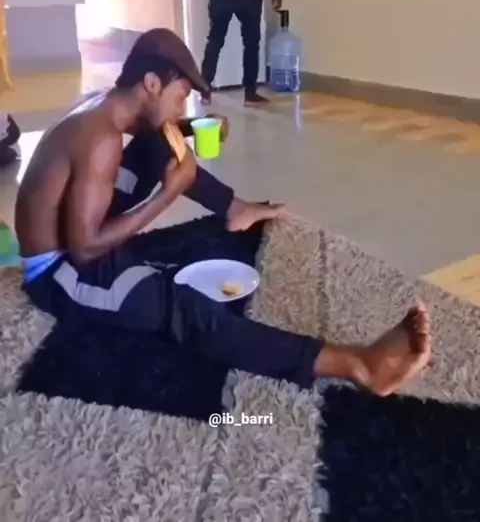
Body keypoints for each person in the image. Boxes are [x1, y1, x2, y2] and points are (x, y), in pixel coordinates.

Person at [15, 28, 431, 395]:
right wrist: (168, 194)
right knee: (186, 307)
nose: (182, 110)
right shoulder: (100, 139)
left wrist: (189, 130)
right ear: (152, 83)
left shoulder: (101, 105)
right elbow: (85, 248)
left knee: (160, 142)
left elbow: (147, 132)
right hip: (59, 274)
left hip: (78, 238)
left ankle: (236, 209)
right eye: (181, 98)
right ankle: (359, 366)